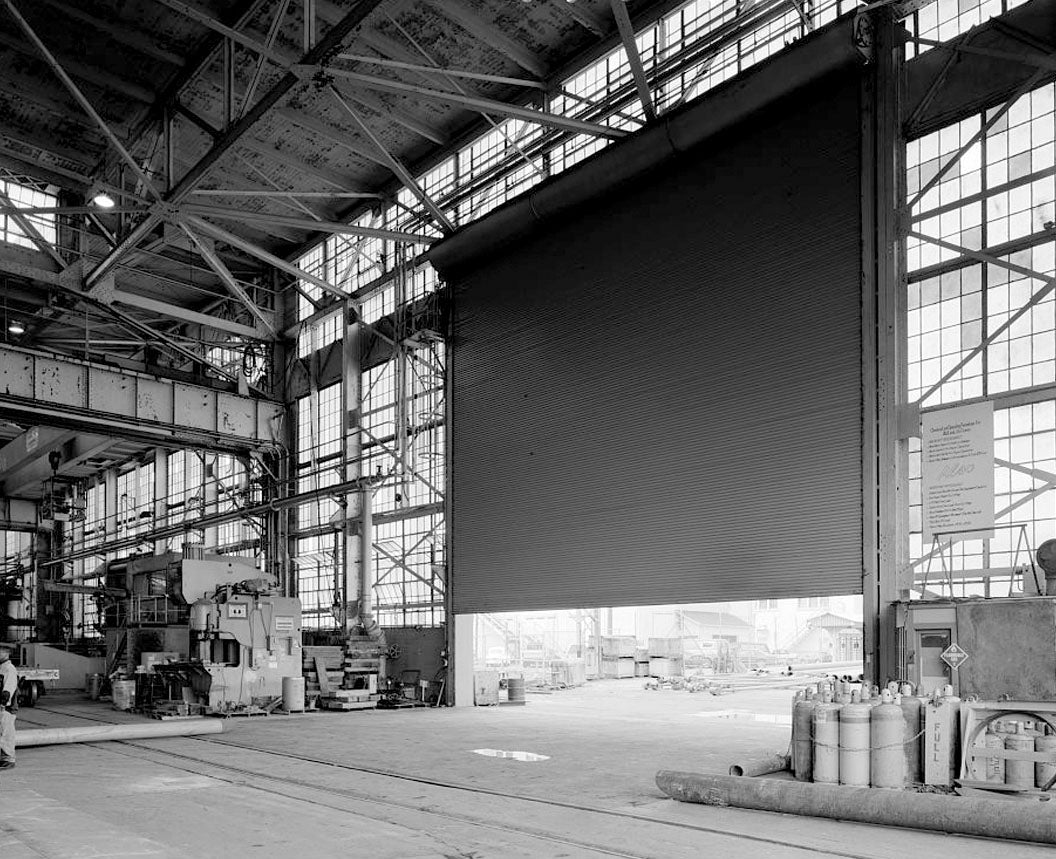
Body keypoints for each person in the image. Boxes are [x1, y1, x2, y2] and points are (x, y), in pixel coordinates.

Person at [0, 643, 18, 768]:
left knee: (6, 733)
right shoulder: (1, 668)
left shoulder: (9, 669)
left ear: (7, 653)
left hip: (6, 708)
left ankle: (8, 759)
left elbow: (8, 690)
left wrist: (3, 704)